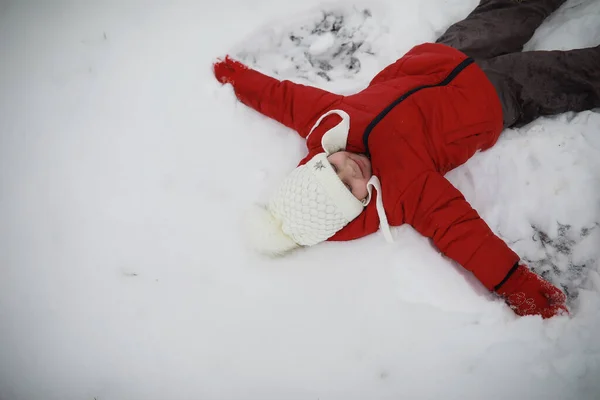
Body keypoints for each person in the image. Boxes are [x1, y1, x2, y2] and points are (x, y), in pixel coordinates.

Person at [213, 0, 600, 318]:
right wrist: (515, 283)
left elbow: (285, 99)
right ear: (356, 207)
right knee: (568, 74)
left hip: (446, 54)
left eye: (332, 168)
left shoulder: (330, 123)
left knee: (509, 9)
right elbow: (462, 232)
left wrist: (240, 80)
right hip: (495, 98)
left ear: (317, 160)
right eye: (349, 187)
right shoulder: (404, 192)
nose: (350, 169)